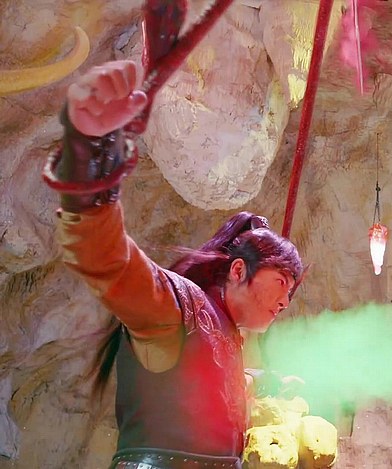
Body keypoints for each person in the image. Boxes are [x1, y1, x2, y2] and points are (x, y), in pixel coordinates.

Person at [50, 60, 304, 469]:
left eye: (291, 292)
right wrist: (87, 156)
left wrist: (262, 383)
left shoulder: (223, 331)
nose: (286, 300)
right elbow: (110, 261)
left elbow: (202, 386)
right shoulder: (181, 307)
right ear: (239, 271)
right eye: (282, 281)